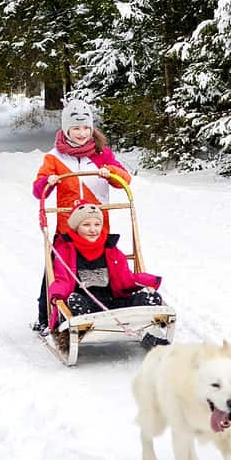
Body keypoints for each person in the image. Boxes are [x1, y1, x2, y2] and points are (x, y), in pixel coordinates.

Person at [33, 98, 132, 329]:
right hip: (67, 228)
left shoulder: (101, 154)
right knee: (59, 266)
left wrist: (111, 172)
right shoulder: (54, 158)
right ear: (66, 129)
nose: (82, 133)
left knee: (106, 266)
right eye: (76, 128)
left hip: (98, 225)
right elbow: (38, 191)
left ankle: (112, 307)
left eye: (86, 128)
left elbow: (124, 179)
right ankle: (47, 317)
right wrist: (49, 181)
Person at [48, 201, 164, 328]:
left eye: (97, 224)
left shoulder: (111, 249)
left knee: (149, 298)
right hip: (86, 304)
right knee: (75, 301)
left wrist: (150, 281)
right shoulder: (65, 251)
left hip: (112, 303)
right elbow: (62, 279)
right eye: (86, 225)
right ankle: (84, 326)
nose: (93, 230)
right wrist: (57, 296)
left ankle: (145, 326)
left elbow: (125, 278)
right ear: (76, 227)